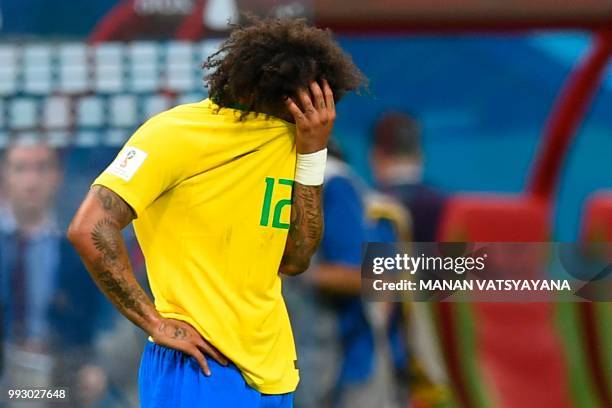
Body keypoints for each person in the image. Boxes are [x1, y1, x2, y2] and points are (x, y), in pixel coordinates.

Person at [68, 16, 364, 407]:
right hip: (198, 365)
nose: (309, 118)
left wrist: (311, 154)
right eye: (300, 105)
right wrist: (153, 322)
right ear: (255, 91)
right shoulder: (172, 134)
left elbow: (294, 260)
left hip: (273, 372)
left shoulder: (292, 144)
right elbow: (89, 227)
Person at [0, 138, 110, 407]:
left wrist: (100, 366)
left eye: (41, 168)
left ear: (57, 176)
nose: (31, 181)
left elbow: (106, 319)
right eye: (21, 168)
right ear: (5, 175)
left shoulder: (81, 246)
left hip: (63, 376)